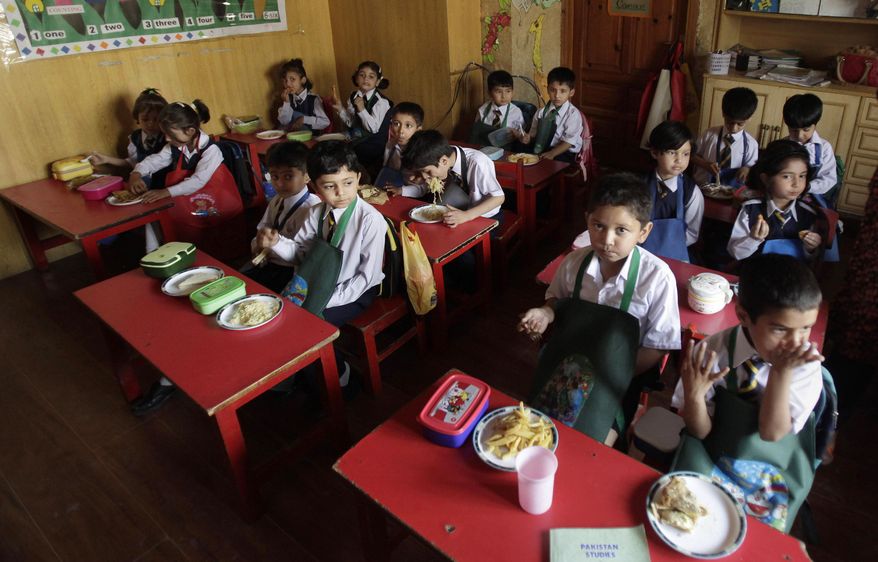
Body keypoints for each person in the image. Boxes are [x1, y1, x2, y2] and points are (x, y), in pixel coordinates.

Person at [518, 173, 680, 443]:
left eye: (621, 230)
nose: (607, 240)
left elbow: (657, 346)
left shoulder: (658, 277)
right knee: (535, 429)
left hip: (619, 379)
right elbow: (555, 300)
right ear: (587, 221)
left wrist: (608, 380)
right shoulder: (573, 263)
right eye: (598, 226)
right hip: (569, 366)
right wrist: (545, 313)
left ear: (644, 232)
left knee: (591, 442)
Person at [671, 253, 824, 533]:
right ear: (743, 315)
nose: (795, 343)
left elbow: (772, 433)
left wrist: (781, 371)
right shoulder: (715, 352)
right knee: (692, 523)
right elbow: (701, 432)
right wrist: (694, 395)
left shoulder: (804, 366)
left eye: (805, 329)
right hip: (716, 457)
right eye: (780, 329)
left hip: (773, 469)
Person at [279, 140, 386, 390]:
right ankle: (305, 374)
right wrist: (276, 244)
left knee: (307, 327)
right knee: (285, 319)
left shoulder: (370, 220)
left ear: (358, 178)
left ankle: (339, 375)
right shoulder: (316, 213)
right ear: (315, 187)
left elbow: (366, 278)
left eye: (348, 183)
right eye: (330, 186)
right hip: (318, 284)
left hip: (356, 292)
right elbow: (300, 254)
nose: (341, 193)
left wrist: (323, 300)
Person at [129, 100, 244, 256]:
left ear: (190, 131)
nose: (167, 139)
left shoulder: (211, 150)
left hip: (218, 201)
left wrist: (164, 192)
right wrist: (136, 173)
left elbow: (198, 181)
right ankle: (153, 255)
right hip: (190, 200)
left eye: (170, 134)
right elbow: (155, 160)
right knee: (153, 211)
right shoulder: (177, 145)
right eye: (165, 134)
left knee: (218, 242)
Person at [243, 141, 320, 293]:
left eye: (288, 176)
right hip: (268, 264)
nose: (279, 183)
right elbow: (262, 228)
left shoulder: (312, 208)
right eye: (274, 176)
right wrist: (258, 245)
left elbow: (304, 257)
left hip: (291, 272)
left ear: (307, 176)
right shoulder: (277, 201)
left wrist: (276, 243)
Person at [728, 140, 823, 261]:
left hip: (792, 275)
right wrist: (753, 239)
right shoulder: (750, 209)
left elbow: (810, 259)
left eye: (802, 176)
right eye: (787, 176)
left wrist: (811, 248)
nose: (796, 184)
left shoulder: (808, 214)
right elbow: (735, 253)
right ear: (766, 179)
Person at [396, 129, 504, 229]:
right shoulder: (440, 157)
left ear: (444, 161)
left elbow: (498, 198)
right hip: (459, 213)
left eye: (427, 172)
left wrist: (467, 215)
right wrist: (403, 190)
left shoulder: (478, 162)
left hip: (486, 216)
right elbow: (425, 187)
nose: (424, 176)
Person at [642, 120, 704, 262]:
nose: (679, 160)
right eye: (672, 152)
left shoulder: (692, 192)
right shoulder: (639, 186)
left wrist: (666, 247)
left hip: (675, 256)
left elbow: (692, 233)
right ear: (654, 152)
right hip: (641, 253)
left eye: (685, 154)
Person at [89, 88, 168, 174]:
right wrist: (107, 159)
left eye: (156, 119)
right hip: (142, 180)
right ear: (137, 118)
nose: (150, 124)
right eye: (145, 119)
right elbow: (132, 163)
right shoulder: (135, 138)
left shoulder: (167, 136)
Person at [692, 87, 759, 187]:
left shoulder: (751, 144)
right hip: (703, 187)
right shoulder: (709, 135)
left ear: (749, 118)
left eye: (740, 124)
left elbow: (752, 167)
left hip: (732, 192)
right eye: (729, 122)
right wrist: (705, 165)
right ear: (723, 114)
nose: (734, 128)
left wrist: (747, 169)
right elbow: (691, 156)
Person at [517, 66, 583, 162]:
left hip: (564, 151)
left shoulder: (573, 114)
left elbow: (568, 142)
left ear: (571, 92)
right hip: (543, 147)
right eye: (553, 90)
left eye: (563, 91)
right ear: (547, 89)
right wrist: (527, 138)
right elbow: (533, 135)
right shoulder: (540, 112)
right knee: (519, 149)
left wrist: (552, 153)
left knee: (553, 162)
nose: (557, 95)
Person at [783, 94, 837, 199]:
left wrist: (807, 187)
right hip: (785, 194)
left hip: (812, 196)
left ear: (815, 124)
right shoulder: (782, 146)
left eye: (806, 129)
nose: (799, 135)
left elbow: (829, 179)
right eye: (794, 130)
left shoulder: (824, 148)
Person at [331, 60, 391, 141]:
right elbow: (352, 123)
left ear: (377, 82)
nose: (366, 79)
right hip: (356, 138)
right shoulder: (353, 96)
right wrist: (340, 109)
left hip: (373, 143)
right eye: (362, 75)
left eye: (371, 76)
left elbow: (374, 129)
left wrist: (362, 110)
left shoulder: (381, 102)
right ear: (356, 78)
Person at [469, 70, 525, 147]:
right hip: (484, 149)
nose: (503, 96)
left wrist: (518, 135)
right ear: (489, 93)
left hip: (506, 152)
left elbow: (522, 136)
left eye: (508, 91)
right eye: (499, 92)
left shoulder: (516, 112)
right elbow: (475, 133)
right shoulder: (483, 110)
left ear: (512, 92)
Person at [375, 102, 423, 188]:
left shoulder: (421, 151)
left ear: (418, 130)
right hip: (390, 186)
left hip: (411, 192)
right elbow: (385, 169)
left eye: (408, 125)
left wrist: (402, 191)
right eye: (396, 124)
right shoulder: (390, 144)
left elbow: (423, 187)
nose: (401, 131)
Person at [276, 58, 330, 133]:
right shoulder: (288, 99)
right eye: (285, 80)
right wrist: (286, 103)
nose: (287, 84)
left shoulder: (313, 99)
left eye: (292, 79)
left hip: (311, 137)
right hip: (293, 137)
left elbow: (325, 122)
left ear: (303, 80)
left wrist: (304, 119)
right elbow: (284, 122)